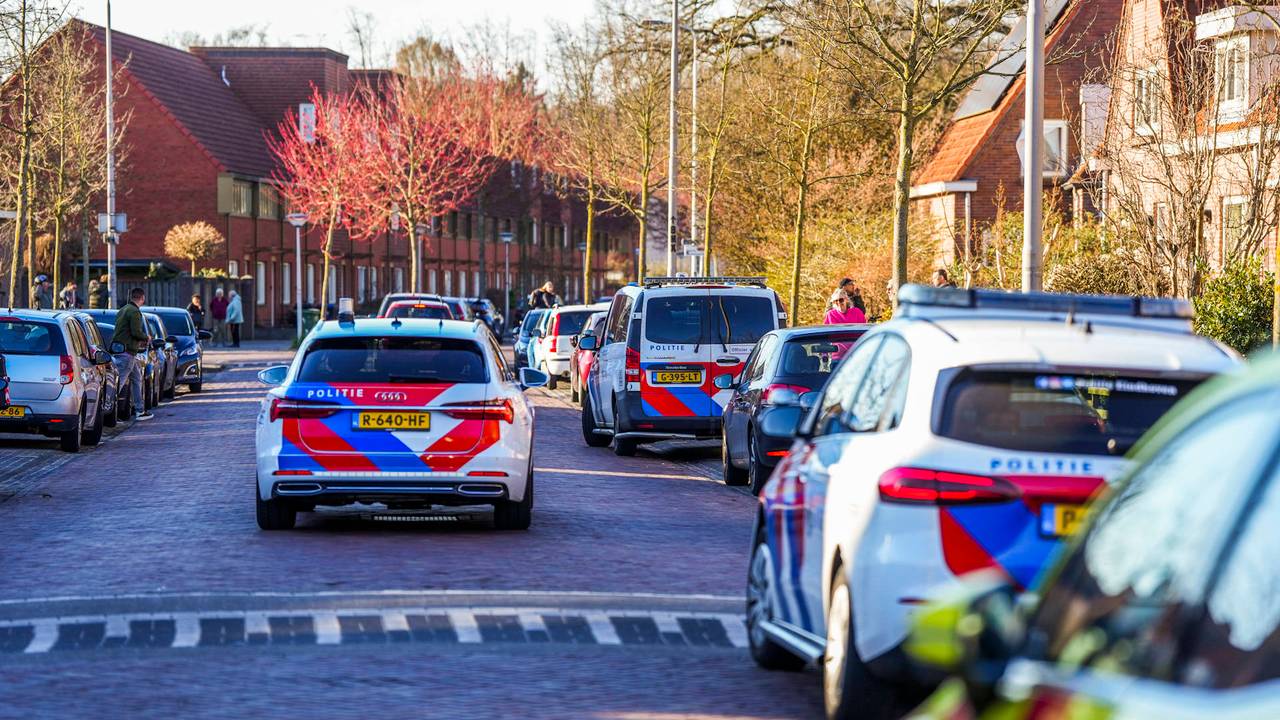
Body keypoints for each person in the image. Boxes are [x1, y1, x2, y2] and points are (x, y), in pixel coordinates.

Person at [111, 287, 153, 421]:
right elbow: (136, 332)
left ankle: (140, 410)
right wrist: (146, 338)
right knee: (120, 382)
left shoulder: (123, 309)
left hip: (122, 350)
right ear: (142, 298)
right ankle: (106, 408)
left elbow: (125, 331)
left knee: (136, 379)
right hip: (127, 353)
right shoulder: (135, 312)